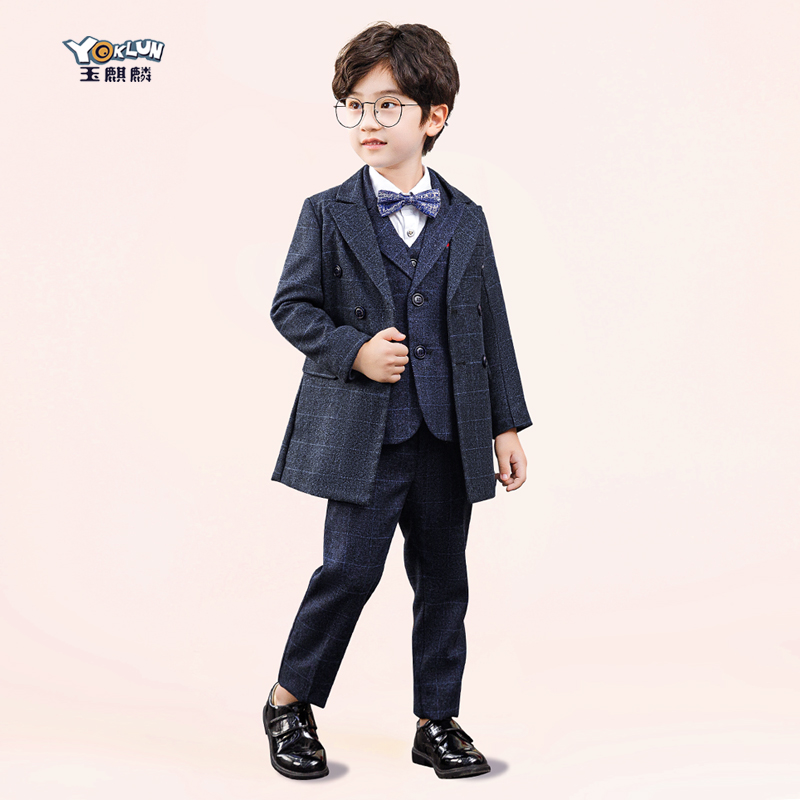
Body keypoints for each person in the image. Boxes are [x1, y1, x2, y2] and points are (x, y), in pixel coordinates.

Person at [263, 21, 531, 780]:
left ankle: (436, 721)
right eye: (354, 106)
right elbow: (291, 307)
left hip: (450, 429)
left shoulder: (467, 218)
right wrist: (353, 349)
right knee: (348, 571)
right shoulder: (327, 212)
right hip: (364, 433)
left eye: (387, 105)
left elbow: (491, 325)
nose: (368, 121)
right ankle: (288, 703)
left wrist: (506, 423)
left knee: (444, 579)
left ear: (433, 116)